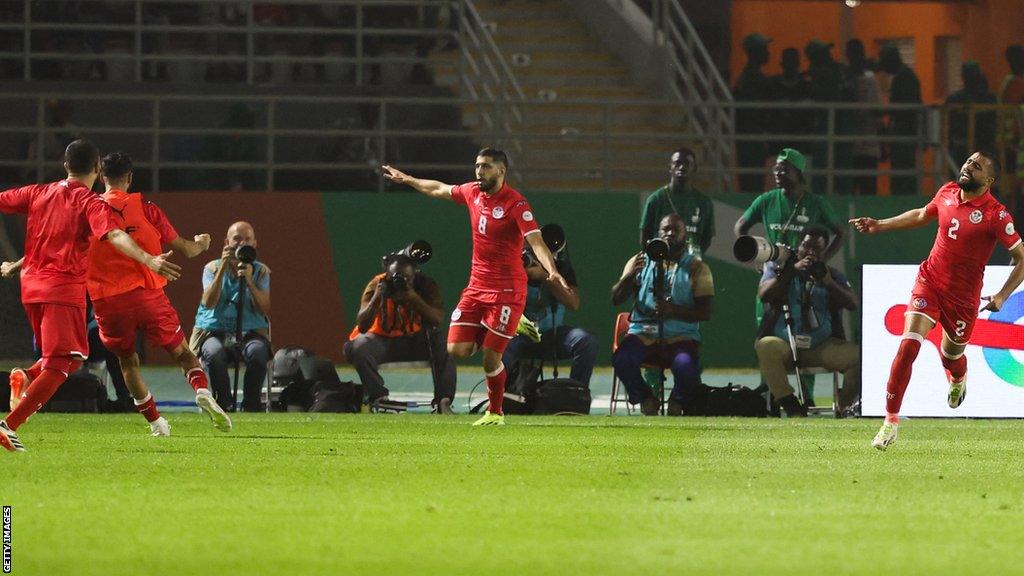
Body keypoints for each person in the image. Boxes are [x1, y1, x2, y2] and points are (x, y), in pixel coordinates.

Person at [0, 139, 180, 453]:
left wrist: (15, 265)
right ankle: (9, 425)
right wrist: (148, 259)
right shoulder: (90, 202)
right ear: (97, 168)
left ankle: (26, 377)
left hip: (31, 289)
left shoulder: (38, 192)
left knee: (71, 356)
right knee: (62, 363)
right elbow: (114, 235)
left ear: (65, 165)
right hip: (62, 288)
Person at [381, 148, 569, 426]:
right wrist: (407, 179)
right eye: (477, 166)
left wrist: (552, 271)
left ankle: (495, 413)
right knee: (457, 349)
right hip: (476, 287)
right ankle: (511, 324)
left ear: (501, 171)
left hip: (507, 291)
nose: (479, 171)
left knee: (490, 358)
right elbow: (439, 189)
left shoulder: (516, 204)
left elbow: (536, 241)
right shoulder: (472, 192)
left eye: (486, 167)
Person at [850, 151, 1024, 450]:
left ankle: (958, 379)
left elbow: (1021, 257)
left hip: (963, 298)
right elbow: (921, 214)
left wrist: (1001, 296)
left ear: (989, 180)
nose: (968, 167)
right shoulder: (947, 192)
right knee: (908, 346)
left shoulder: (997, 215)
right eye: (969, 162)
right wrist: (880, 224)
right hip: (929, 282)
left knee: (951, 356)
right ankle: (890, 421)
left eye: (977, 166)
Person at [87, 152, 231, 435]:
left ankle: (156, 423)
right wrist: (201, 244)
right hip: (148, 294)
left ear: (102, 178)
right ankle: (201, 390)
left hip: (108, 301)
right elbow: (187, 249)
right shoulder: (147, 208)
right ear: (129, 177)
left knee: (127, 362)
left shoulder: (88, 210)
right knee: (183, 353)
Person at [611, 214, 713, 415]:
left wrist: (674, 310)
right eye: (665, 229)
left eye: (676, 230)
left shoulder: (697, 267)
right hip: (643, 333)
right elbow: (616, 298)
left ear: (685, 236)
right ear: (658, 233)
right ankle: (646, 398)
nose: (670, 234)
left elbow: (705, 312)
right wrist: (630, 275)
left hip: (679, 336)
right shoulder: (640, 260)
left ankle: (678, 398)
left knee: (687, 367)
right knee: (622, 360)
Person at [755, 227, 860, 417]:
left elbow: (853, 303)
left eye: (817, 248)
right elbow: (764, 295)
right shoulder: (779, 268)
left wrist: (828, 282)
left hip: (820, 346)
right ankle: (790, 404)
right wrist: (790, 272)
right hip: (785, 343)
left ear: (825, 251)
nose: (810, 252)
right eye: (806, 246)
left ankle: (844, 408)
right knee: (765, 346)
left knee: (858, 357)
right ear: (798, 246)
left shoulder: (831, 274)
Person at [344, 254, 457, 413]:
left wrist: (413, 297)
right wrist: (378, 296)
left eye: (407, 278)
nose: (401, 282)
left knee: (444, 343)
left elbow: (437, 320)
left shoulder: (424, 285)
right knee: (358, 347)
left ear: (414, 275)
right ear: (387, 275)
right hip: (381, 341)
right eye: (396, 278)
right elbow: (362, 326)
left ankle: (443, 400)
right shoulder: (377, 284)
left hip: (414, 341)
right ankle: (379, 398)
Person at [190, 221, 271, 412]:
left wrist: (249, 280)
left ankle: (252, 405)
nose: (242, 243)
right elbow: (208, 302)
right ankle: (223, 403)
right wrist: (222, 269)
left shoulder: (260, 271)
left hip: (250, 333)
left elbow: (264, 309)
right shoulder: (211, 268)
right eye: (237, 238)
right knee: (213, 353)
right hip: (213, 332)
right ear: (227, 242)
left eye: (247, 239)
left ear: (254, 244)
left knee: (258, 353)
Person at [502, 233, 597, 388]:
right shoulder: (516, 264)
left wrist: (545, 277)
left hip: (550, 334)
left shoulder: (560, 269)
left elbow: (573, 303)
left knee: (586, 340)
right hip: (519, 333)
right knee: (501, 343)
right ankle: (500, 396)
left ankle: (576, 393)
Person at [734, 148, 845, 260]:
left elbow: (841, 233)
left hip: (803, 265)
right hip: (774, 266)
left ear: (798, 172)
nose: (778, 173)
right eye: (776, 168)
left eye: (783, 169)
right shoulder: (766, 200)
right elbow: (740, 226)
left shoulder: (816, 203)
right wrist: (753, 254)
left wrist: (823, 260)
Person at [639, 147, 715, 257]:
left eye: (687, 164)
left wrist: (691, 257)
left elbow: (707, 238)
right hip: (661, 261)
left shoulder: (704, 202)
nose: (682, 167)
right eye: (677, 163)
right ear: (670, 167)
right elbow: (645, 236)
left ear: (694, 168)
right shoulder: (656, 199)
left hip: (690, 264)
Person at [878, 44, 922, 196]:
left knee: (902, 175)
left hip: (904, 133)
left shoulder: (903, 77)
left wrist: (881, 111)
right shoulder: (905, 75)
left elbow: (902, 109)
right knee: (903, 174)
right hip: (905, 133)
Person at [733, 33, 773, 193]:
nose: (768, 53)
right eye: (764, 49)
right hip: (751, 138)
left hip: (754, 137)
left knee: (755, 181)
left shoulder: (752, 77)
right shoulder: (749, 79)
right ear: (755, 53)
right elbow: (750, 111)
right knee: (752, 183)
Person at [844, 39, 883, 195]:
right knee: (848, 190)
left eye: (858, 53)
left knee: (868, 190)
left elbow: (878, 111)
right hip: (848, 146)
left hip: (868, 145)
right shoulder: (844, 79)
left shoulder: (870, 80)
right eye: (853, 53)